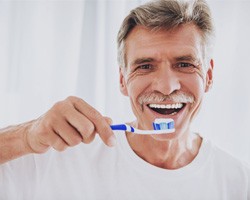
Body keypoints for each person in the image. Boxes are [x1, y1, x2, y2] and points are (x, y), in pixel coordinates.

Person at [0, 0, 250, 199]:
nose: (166, 87)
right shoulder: (60, 155)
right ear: (122, 80)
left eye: (184, 64)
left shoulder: (238, 182)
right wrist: (25, 137)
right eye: (145, 66)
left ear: (208, 76)